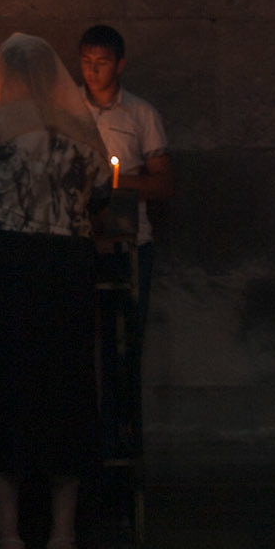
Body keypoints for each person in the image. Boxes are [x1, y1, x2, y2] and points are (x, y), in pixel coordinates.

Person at [0, 33, 110, 549]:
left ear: (6, 75)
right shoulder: (78, 127)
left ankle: (7, 531)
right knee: (65, 388)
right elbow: (103, 190)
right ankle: (63, 530)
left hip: (3, 268)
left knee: (0, 388)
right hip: (65, 268)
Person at [76, 23, 170, 324]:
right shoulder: (68, 109)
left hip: (130, 240)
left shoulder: (141, 114)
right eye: (86, 62)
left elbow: (163, 184)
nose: (92, 71)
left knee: (128, 326)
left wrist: (115, 183)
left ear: (119, 65)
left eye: (102, 63)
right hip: (78, 239)